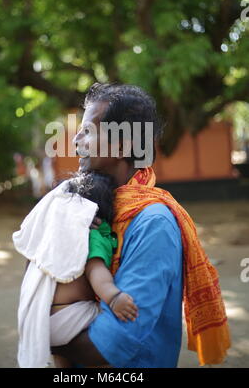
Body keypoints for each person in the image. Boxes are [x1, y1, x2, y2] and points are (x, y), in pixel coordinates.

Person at [52, 82, 231, 368]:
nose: (76, 141)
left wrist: (43, 330)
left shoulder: (152, 223)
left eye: (88, 131)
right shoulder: (94, 208)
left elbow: (110, 347)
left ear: (123, 143)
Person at [13, 171, 138, 368]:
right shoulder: (91, 237)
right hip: (71, 317)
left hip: (40, 321)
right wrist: (114, 298)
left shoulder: (47, 239)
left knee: (65, 362)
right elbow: (96, 271)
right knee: (111, 351)